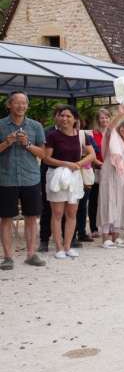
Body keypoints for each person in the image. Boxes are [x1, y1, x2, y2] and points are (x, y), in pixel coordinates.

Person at [0, 91, 47, 269]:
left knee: (31, 217)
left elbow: (43, 154)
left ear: (27, 106)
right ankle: (8, 257)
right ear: (9, 105)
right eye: (17, 102)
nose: (21, 106)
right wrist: (7, 142)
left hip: (30, 178)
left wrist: (27, 144)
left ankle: (31, 255)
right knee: (6, 218)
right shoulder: (1, 125)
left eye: (24, 103)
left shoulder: (36, 126)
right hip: (6, 179)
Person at [44, 105, 96, 259]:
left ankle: (68, 246)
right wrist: (66, 164)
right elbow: (46, 158)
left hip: (74, 176)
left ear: (75, 119)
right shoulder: (52, 135)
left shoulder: (82, 135)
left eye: (68, 116)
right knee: (57, 213)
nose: (64, 118)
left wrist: (78, 164)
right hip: (57, 176)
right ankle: (59, 247)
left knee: (72, 213)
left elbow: (92, 155)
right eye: (62, 115)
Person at [96, 106, 124, 249]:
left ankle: (116, 237)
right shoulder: (112, 138)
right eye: (123, 127)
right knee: (108, 204)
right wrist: (120, 115)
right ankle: (105, 238)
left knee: (120, 205)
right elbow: (109, 128)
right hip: (110, 177)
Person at [87, 108, 111, 239]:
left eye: (107, 117)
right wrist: (99, 163)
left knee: (109, 199)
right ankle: (94, 228)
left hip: (110, 171)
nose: (104, 120)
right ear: (97, 120)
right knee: (94, 200)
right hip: (97, 169)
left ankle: (109, 226)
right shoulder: (92, 134)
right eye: (102, 117)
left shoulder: (114, 133)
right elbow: (90, 152)